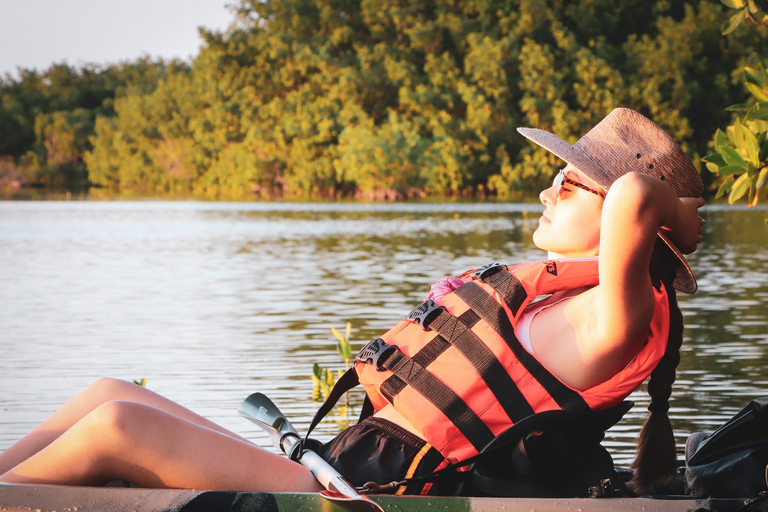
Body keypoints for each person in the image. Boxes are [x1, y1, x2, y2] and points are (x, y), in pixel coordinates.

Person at [0, 108, 705, 494]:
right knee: (109, 392)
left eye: (572, 184)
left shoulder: (613, 319)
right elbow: (632, 201)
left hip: (377, 495)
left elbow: (639, 196)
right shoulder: (558, 299)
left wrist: (677, 216)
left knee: (121, 426)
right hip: (339, 464)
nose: (549, 192)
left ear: (627, 218)